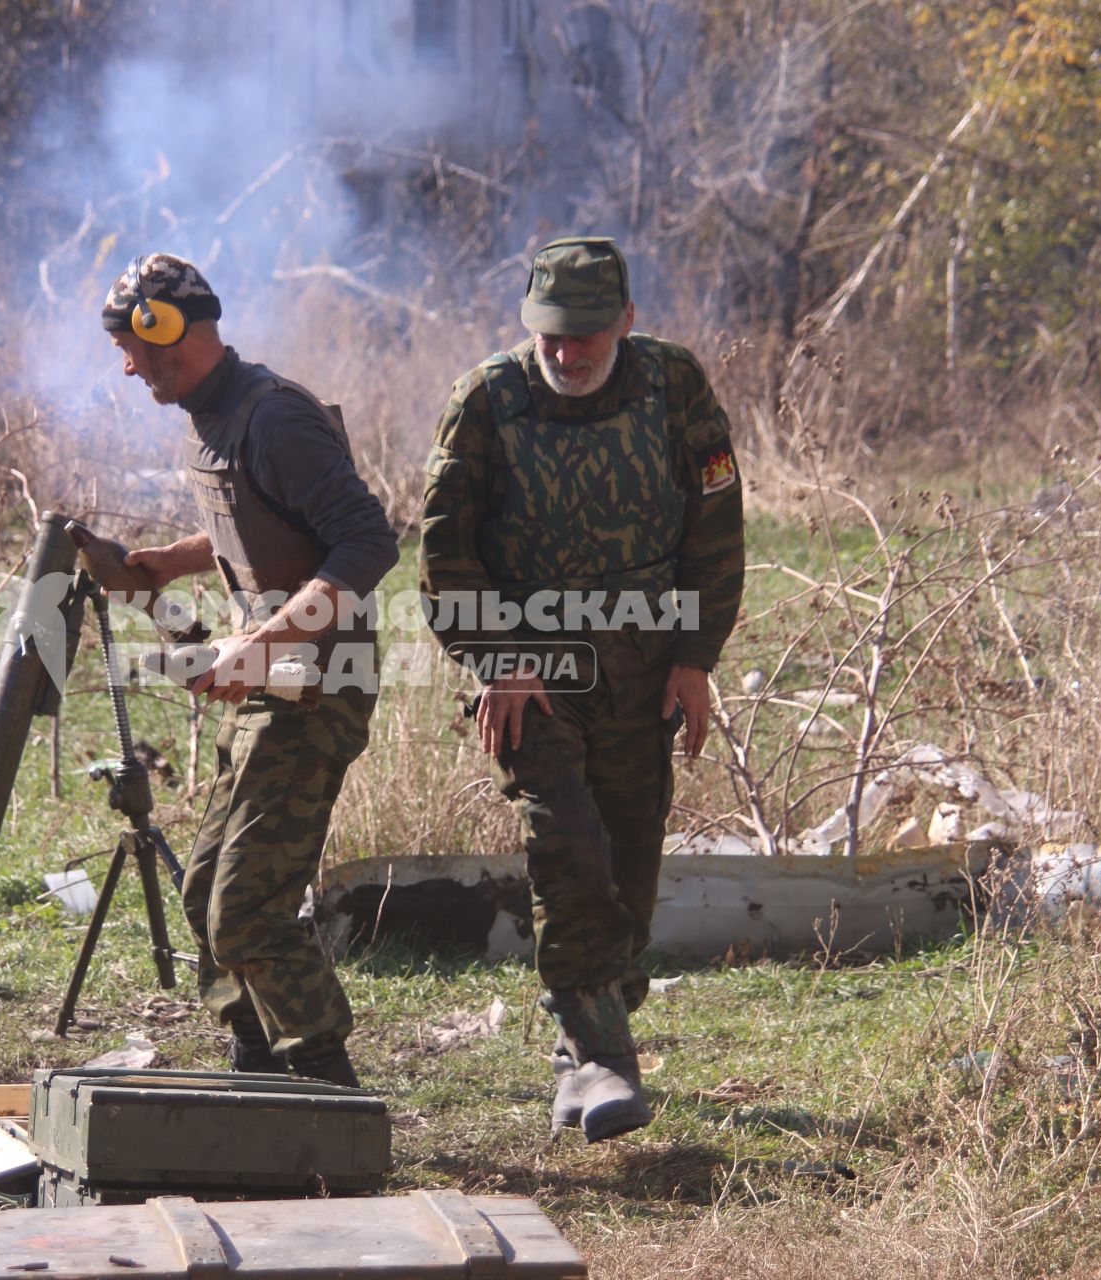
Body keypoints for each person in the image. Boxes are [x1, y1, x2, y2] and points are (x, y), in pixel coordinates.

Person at [419, 237, 745, 1140]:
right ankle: (599, 1061)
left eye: (586, 340)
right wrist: (500, 657)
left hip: (642, 671)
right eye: (550, 338)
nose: (566, 356)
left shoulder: (673, 386)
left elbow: (717, 524)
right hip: (536, 673)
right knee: (567, 846)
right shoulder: (487, 401)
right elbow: (445, 554)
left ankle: (591, 1028)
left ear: (627, 323)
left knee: (630, 856)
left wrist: (694, 656)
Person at [102, 253, 397, 1088]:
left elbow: (367, 543)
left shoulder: (274, 418)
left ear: (168, 333)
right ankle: (257, 1064)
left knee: (246, 913)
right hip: (270, 685)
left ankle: (327, 1084)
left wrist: (259, 644)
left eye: (132, 345)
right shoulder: (217, 414)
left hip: (314, 689)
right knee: (204, 895)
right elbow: (269, 521)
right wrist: (176, 560)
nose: (127, 366)